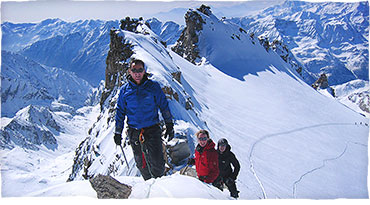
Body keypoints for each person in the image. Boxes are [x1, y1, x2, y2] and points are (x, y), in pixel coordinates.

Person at [114, 59, 174, 180]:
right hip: (134, 132)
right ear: (129, 72)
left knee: (157, 163)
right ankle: (148, 185)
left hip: (152, 130)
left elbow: (163, 105)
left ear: (144, 71)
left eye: (140, 70)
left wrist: (169, 124)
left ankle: (160, 186)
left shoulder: (153, 87)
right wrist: (118, 132)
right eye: (134, 70)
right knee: (141, 164)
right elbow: (120, 111)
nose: (137, 73)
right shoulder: (125, 91)